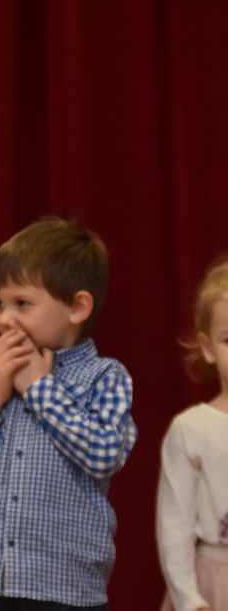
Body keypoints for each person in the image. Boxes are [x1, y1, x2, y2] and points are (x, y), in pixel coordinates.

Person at [0, 217, 137, 610]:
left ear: (77, 307)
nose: (4, 319)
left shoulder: (104, 377)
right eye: (0, 304)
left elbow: (104, 454)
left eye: (22, 303)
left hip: (64, 589)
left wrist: (40, 388)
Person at [157, 258, 228, 611]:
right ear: (208, 347)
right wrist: (188, 599)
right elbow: (175, 525)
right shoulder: (192, 429)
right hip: (215, 583)